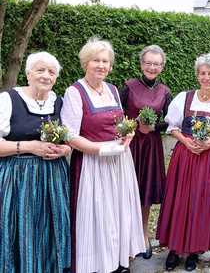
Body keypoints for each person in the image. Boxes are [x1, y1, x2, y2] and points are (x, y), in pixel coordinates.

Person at [61, 37, 145, 273]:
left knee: (117, 210)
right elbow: (69, 135)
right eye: (96, 60)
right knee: (96, 215)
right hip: (92, 163)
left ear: (110, 65)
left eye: (105, 61)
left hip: (119, 161)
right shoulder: (74, 92)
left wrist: (128, 135)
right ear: (85, 63)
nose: (101, 65)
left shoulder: (113, 90)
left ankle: (117, 260)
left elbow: (121, 123)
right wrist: (101, 149)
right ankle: (95, 264)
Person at [156, 53, 210, 271]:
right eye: (203, 73)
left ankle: (193, 250)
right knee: (178, 199)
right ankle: (174, 249)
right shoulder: (184, 98)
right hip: (184, 156)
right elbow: (172, 126)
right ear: (197, 75)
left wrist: (209, 144)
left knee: (202, 201)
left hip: (207, 159)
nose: (207, 77)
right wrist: (186, 141)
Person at [0, 52, 71, 273]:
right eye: (40, 70)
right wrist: (30, 146)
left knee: (52, 228)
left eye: (51, 72)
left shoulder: (58, 101)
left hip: (54, 177)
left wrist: (65, 149)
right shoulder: (8, 99)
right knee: (21, 229)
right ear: (28, 74)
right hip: (18, 177)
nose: (46, 76)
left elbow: (70, 140)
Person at [119, 45, 172, 259]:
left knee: (145, 192)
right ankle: (125, 236)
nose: (152, 67)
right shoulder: (128, 87)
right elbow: (116, 115)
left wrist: (153, 127)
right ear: (141, 64)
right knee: (125, 190)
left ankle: (143, 234)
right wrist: (131, 126)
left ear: (162, 67)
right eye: (148, 63)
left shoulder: (165, 92)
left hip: (151, 147)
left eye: (156, 64)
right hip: (129, 145)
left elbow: (169, 122)